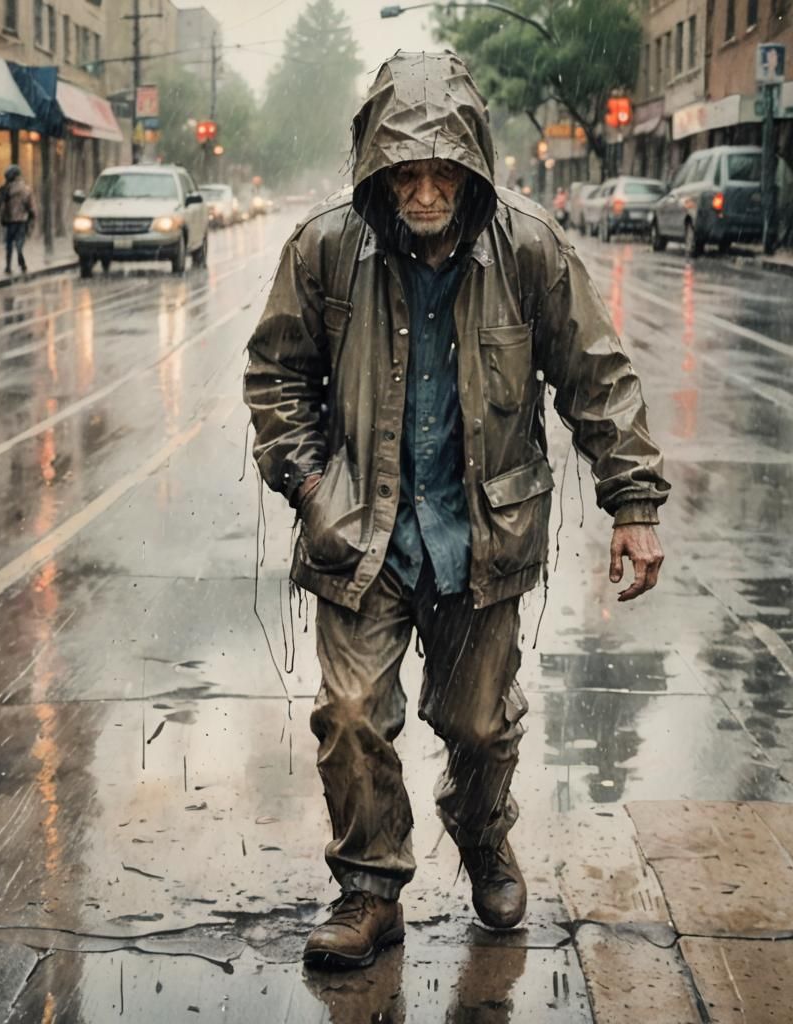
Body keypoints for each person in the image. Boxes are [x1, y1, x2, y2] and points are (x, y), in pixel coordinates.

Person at [244, 51, 669, 970]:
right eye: (407, 172)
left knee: (478, 725)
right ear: (379, 168)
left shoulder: (529, 249)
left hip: (483, 534)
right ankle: (369, 890)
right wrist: (314, 488)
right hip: (362, 534)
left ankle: (482, 836)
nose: (426, 190)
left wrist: (633, 499)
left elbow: (597, 376)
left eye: (444, 171)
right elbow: (275, 375)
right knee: (350, 715)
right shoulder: (325, 248)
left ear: (473, 167)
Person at [0, 164, 37, 274]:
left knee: (8, 244)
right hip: (22, 220)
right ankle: (20, 256)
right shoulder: (26, 189)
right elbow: (32, 207)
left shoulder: (5, 189)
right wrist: (32, 217)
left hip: (9, 221)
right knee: (19, 241)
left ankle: (8, 266)